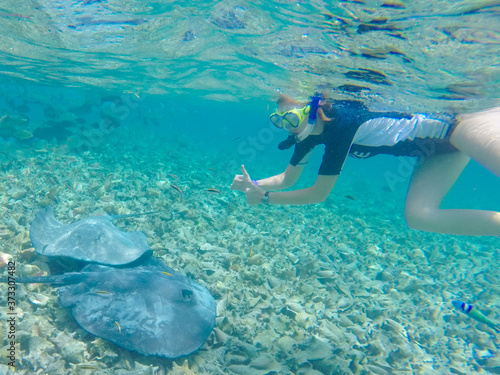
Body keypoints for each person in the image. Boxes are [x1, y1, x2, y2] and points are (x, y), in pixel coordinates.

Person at [231, 93, 500, 236]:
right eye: (278, 121)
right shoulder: (306, 133)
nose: (285, 128)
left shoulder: (342, 124)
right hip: (438, 152)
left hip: (461, 125)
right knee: (419, 216)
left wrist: (265, 199)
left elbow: (318, 194)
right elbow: (287, 179)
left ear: (313, 109)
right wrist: (253, 185)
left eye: (288, 118)